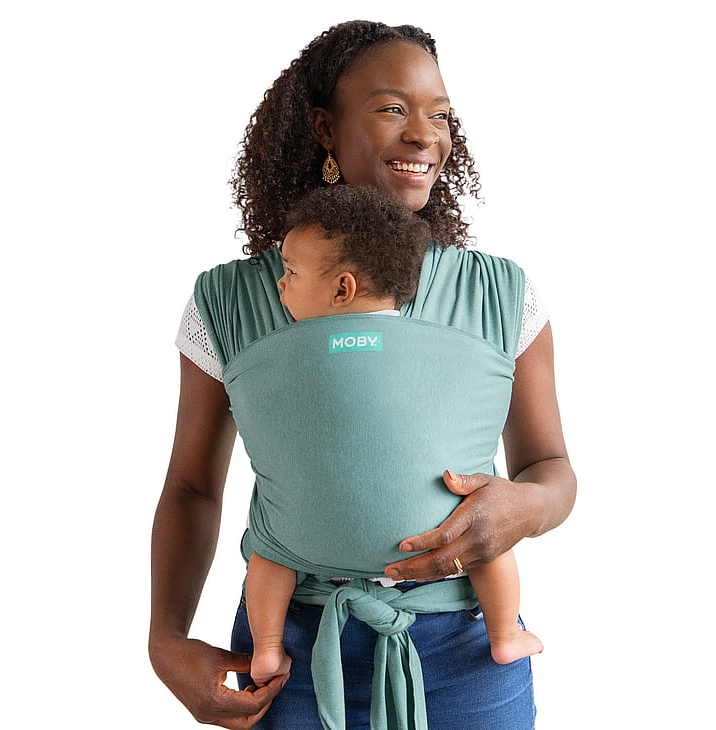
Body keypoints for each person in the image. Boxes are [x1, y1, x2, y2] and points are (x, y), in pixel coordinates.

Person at [150, 19, 576, 730]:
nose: (424, 135)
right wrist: (166, 642)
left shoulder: (500, 294)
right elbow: (192, 487)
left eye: (440, 115)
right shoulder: (233, 301)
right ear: (325, 127)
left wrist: (525, 509)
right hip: (287, 657)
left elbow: (550, 468)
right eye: (392, 109)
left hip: (469, 656)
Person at [245, 183, 543, 688]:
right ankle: (504, 634)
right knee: (488, 549)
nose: (279, 283)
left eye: (290, 273)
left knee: (270, 550)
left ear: (342, 289)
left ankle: (268, 649)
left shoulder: (279, 347)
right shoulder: (451, 340)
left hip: (314, 552)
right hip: (441, 528)